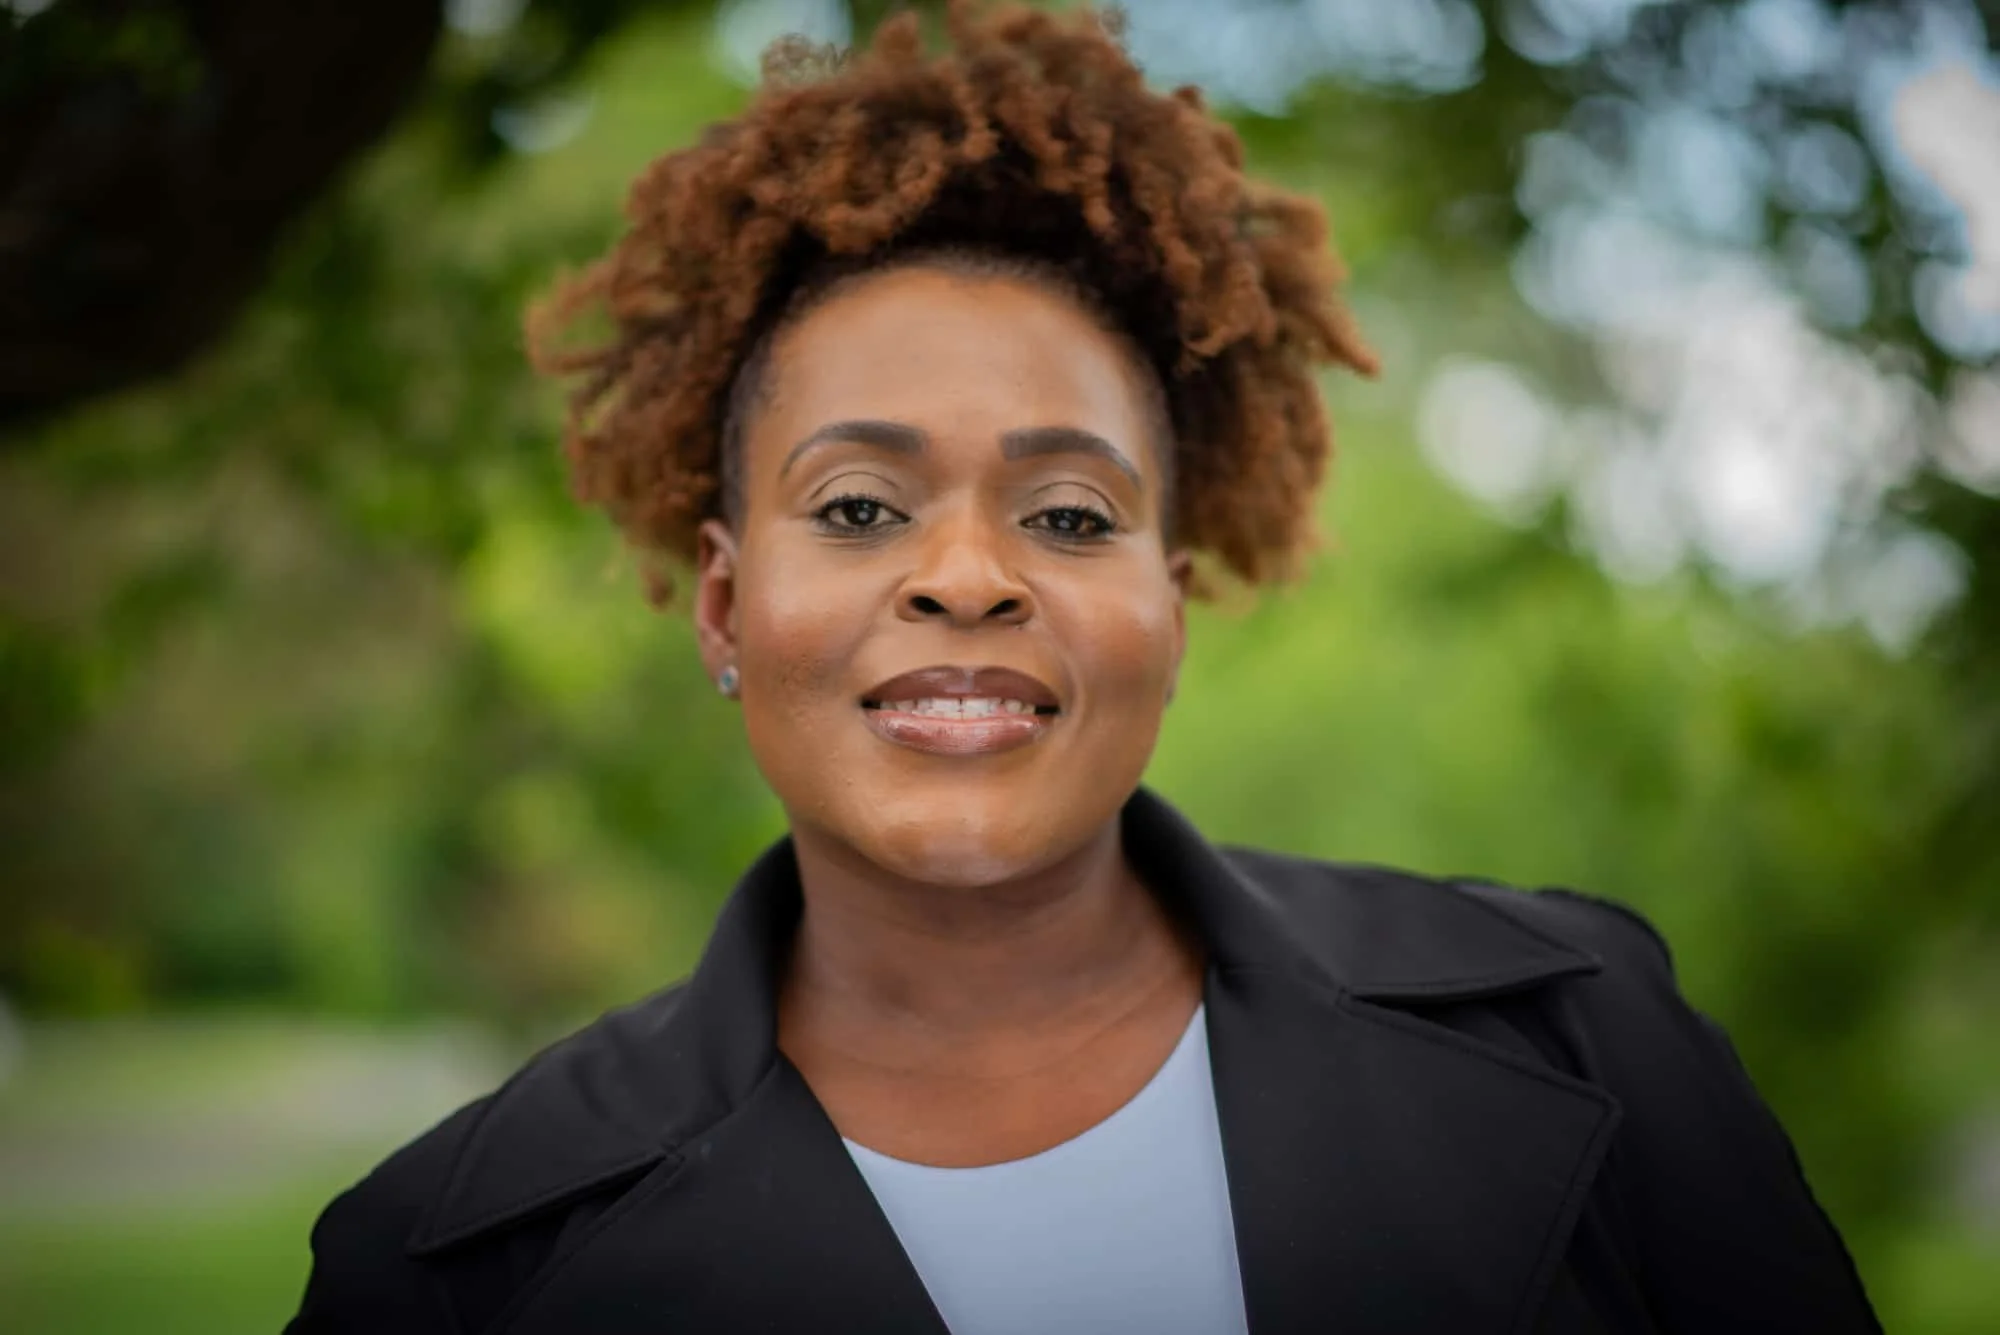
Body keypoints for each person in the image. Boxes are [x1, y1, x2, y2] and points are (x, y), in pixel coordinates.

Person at [286, 5, 1881, 1332]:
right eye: (857, 506)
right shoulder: (439, 1265)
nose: (969, 576)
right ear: (722, 606)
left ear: (1169, 608)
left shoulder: (1586, 1028)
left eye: (1066, 511)